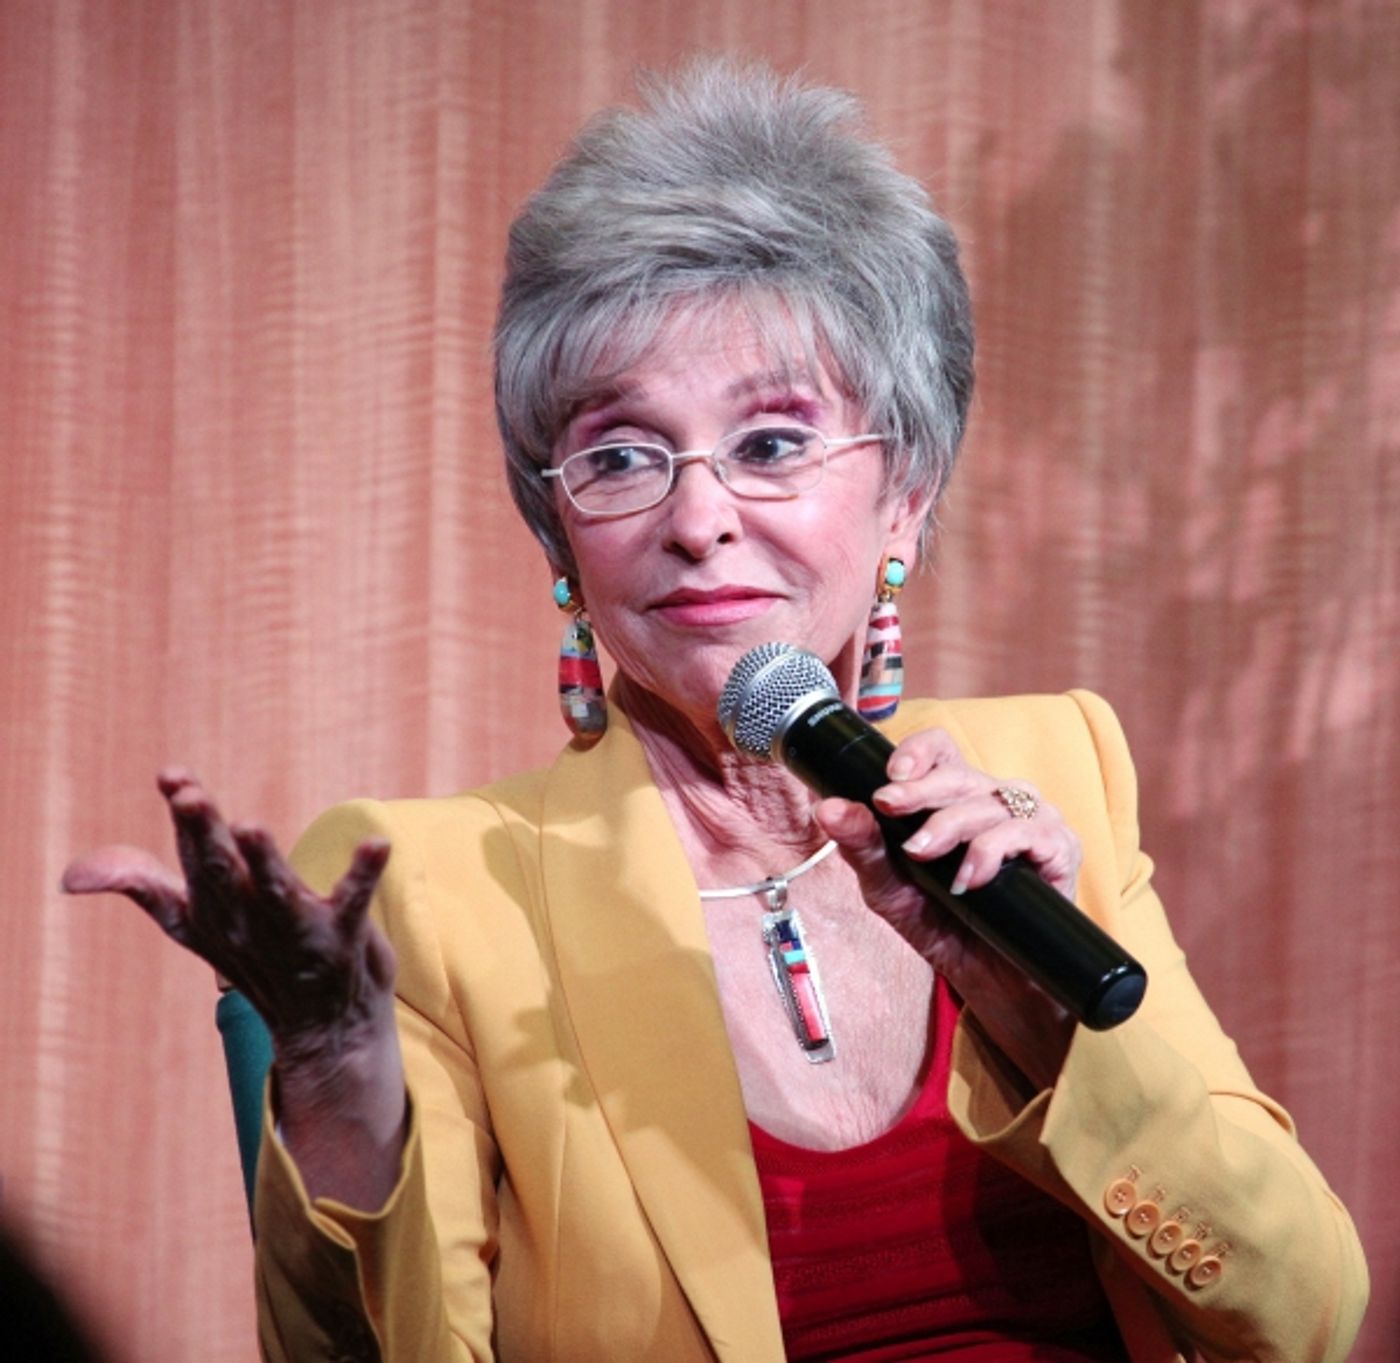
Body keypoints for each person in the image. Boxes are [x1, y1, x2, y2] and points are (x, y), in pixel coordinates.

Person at [64, 58, 1367, 1363]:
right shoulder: (439, 895)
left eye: (772, 443)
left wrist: (1044, 1017)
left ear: (905, 496)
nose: (698, 519)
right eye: (622, 455)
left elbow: (1302, 1316)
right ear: (560, 535)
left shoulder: (1051, 779)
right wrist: (337, 1075)